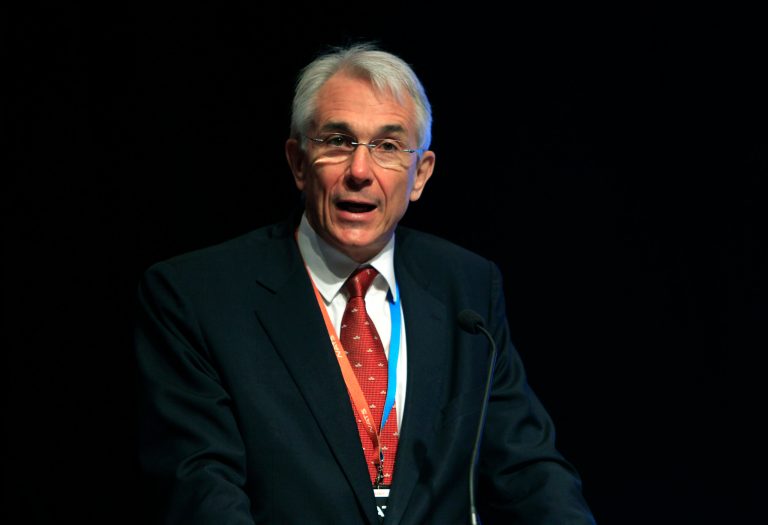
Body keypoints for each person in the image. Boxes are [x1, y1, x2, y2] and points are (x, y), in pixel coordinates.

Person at [135, 43, 596, 524]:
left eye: (388, 147)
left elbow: (529, 471)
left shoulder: (468, 287)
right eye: (337, 141)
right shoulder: (196, 296)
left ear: (420, 174)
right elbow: (202, 491)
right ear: (297, 162)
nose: (360, 171)